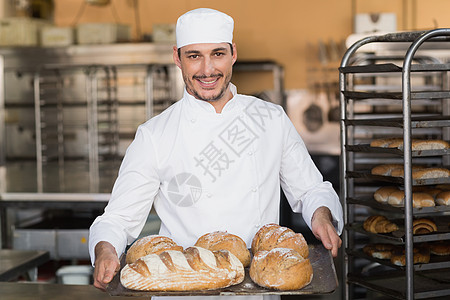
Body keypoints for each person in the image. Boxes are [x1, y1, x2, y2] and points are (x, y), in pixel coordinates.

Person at [89, 7, 343, 300]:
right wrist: (106, 248)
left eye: (218, 54)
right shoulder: (155, 135)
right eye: (194, 56)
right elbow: (118, 218)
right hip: (182, 292)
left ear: (233, 53)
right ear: (177, 58)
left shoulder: (270, 119)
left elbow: (311, 189)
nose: (207, 70)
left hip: (257, 290)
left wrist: (321, 215)